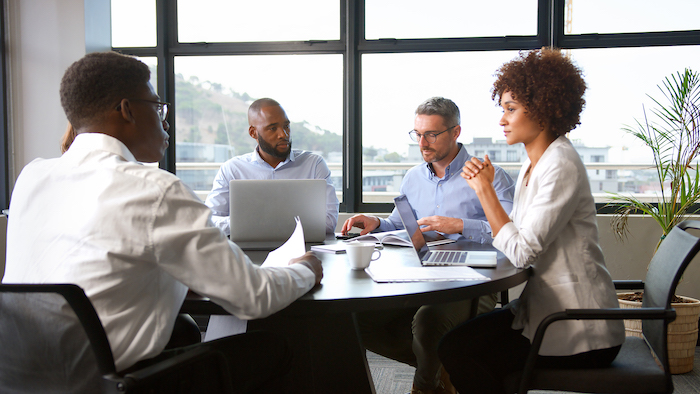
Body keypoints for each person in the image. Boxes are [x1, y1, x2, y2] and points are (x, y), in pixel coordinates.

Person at [3, 52, 323, 393]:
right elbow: (254, 297)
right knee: (272, 348)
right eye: (158, 108)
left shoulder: (32, 176)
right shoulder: (154, 188)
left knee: (183, 328)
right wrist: (305, 269)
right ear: (127, 110)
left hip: (21, 376)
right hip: (115, 383)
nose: (165, 122)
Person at [438, 48, 625, 394]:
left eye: (511, 109)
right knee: (453, 345)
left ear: (542, 110)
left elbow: (522, 252)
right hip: (542, 311)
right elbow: (518, 238)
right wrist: (490, 190)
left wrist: (485, 193)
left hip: (580, 329)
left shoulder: (561, 165)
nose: (502, 119)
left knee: (462, 353)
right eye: (503, 109)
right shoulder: (532, 164)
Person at [342, 97, 515, 394]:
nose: (422, 142)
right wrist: (375, 222)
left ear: (456, 132)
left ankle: (425, 386)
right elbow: (401, 223)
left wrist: (459, 225)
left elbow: (510, 232)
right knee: (356, 318)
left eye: (431, 134)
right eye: (417, 134)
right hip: (418, 274)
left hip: (473, 279)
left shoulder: (491, 176)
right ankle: (442, 366)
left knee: (428, 322)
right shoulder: (413, 177)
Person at [205, 98, 339, 236]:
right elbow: (209, 221)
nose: (283, 134)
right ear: (253, 133)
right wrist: (249, 223)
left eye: (286, 126)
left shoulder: (314, 164)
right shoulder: (232, 170)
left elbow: (329, 222)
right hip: (246, 252)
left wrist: (260, 224)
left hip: (304, 250)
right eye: (272, 128)